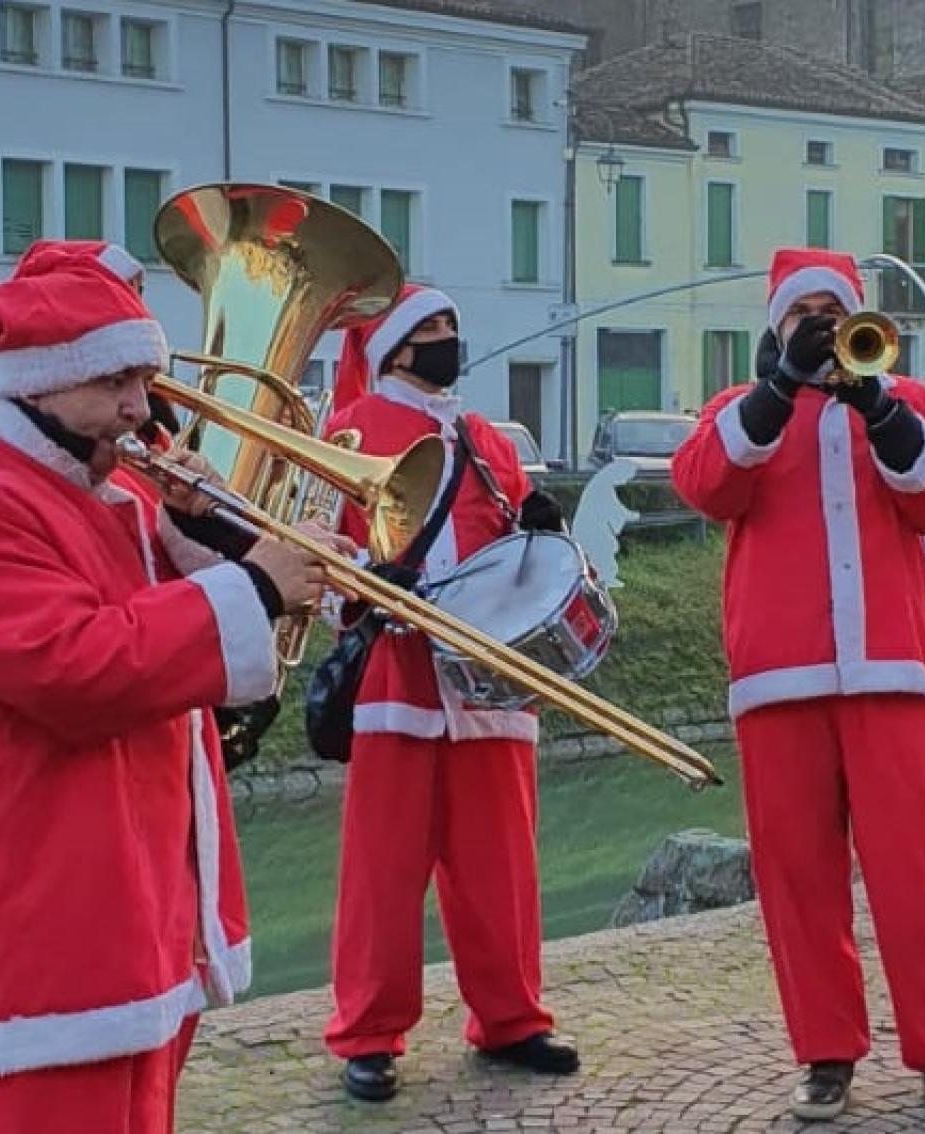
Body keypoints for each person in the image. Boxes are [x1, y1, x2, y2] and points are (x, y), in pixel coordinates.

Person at [0, 260, 333, 1133]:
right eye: (114, 382)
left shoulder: (100, 485)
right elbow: (80, 667)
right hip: (39, 929)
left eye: (143, 378)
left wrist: (210, 536)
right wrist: (252, 591)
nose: (143, 408)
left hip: (126, 904)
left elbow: (147, 616)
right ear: (40, 387)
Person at [671, 248, 925, 1127]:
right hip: (776, 680)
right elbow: (705, 485)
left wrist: (878, 408)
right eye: (804, 314)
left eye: (837, 311)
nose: (823, 326)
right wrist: (782, 388)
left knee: (915, 876)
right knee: (798, 880)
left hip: (891, 672)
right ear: (777, 328)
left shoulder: (910, 406)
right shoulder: (737, 413)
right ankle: (825, 1052)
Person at [321, 284, 572, 1103]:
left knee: (500, 864)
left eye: (451, 328)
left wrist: (542, 525)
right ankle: (369, 1033)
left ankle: (512, 1018)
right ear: (391, 348)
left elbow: (512, 558)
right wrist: (365, 583)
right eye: (427, 329)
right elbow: (320, 553)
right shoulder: (351, 430)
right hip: (399, 674)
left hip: (489, 679)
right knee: (383, 870)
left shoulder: (485, 438)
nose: (444, 340)